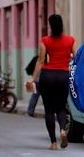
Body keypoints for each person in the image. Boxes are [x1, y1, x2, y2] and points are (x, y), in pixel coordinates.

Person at [30, 15, 75, 150]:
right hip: (63, 76)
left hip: (47, 76)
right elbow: (76, 57)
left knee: (49, 110)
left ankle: (53, 143)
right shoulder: (70, 40)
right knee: (61, 108)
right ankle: (62, 129)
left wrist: (32, 78)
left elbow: (40, 60)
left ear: (50, 26)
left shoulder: (45, 41)